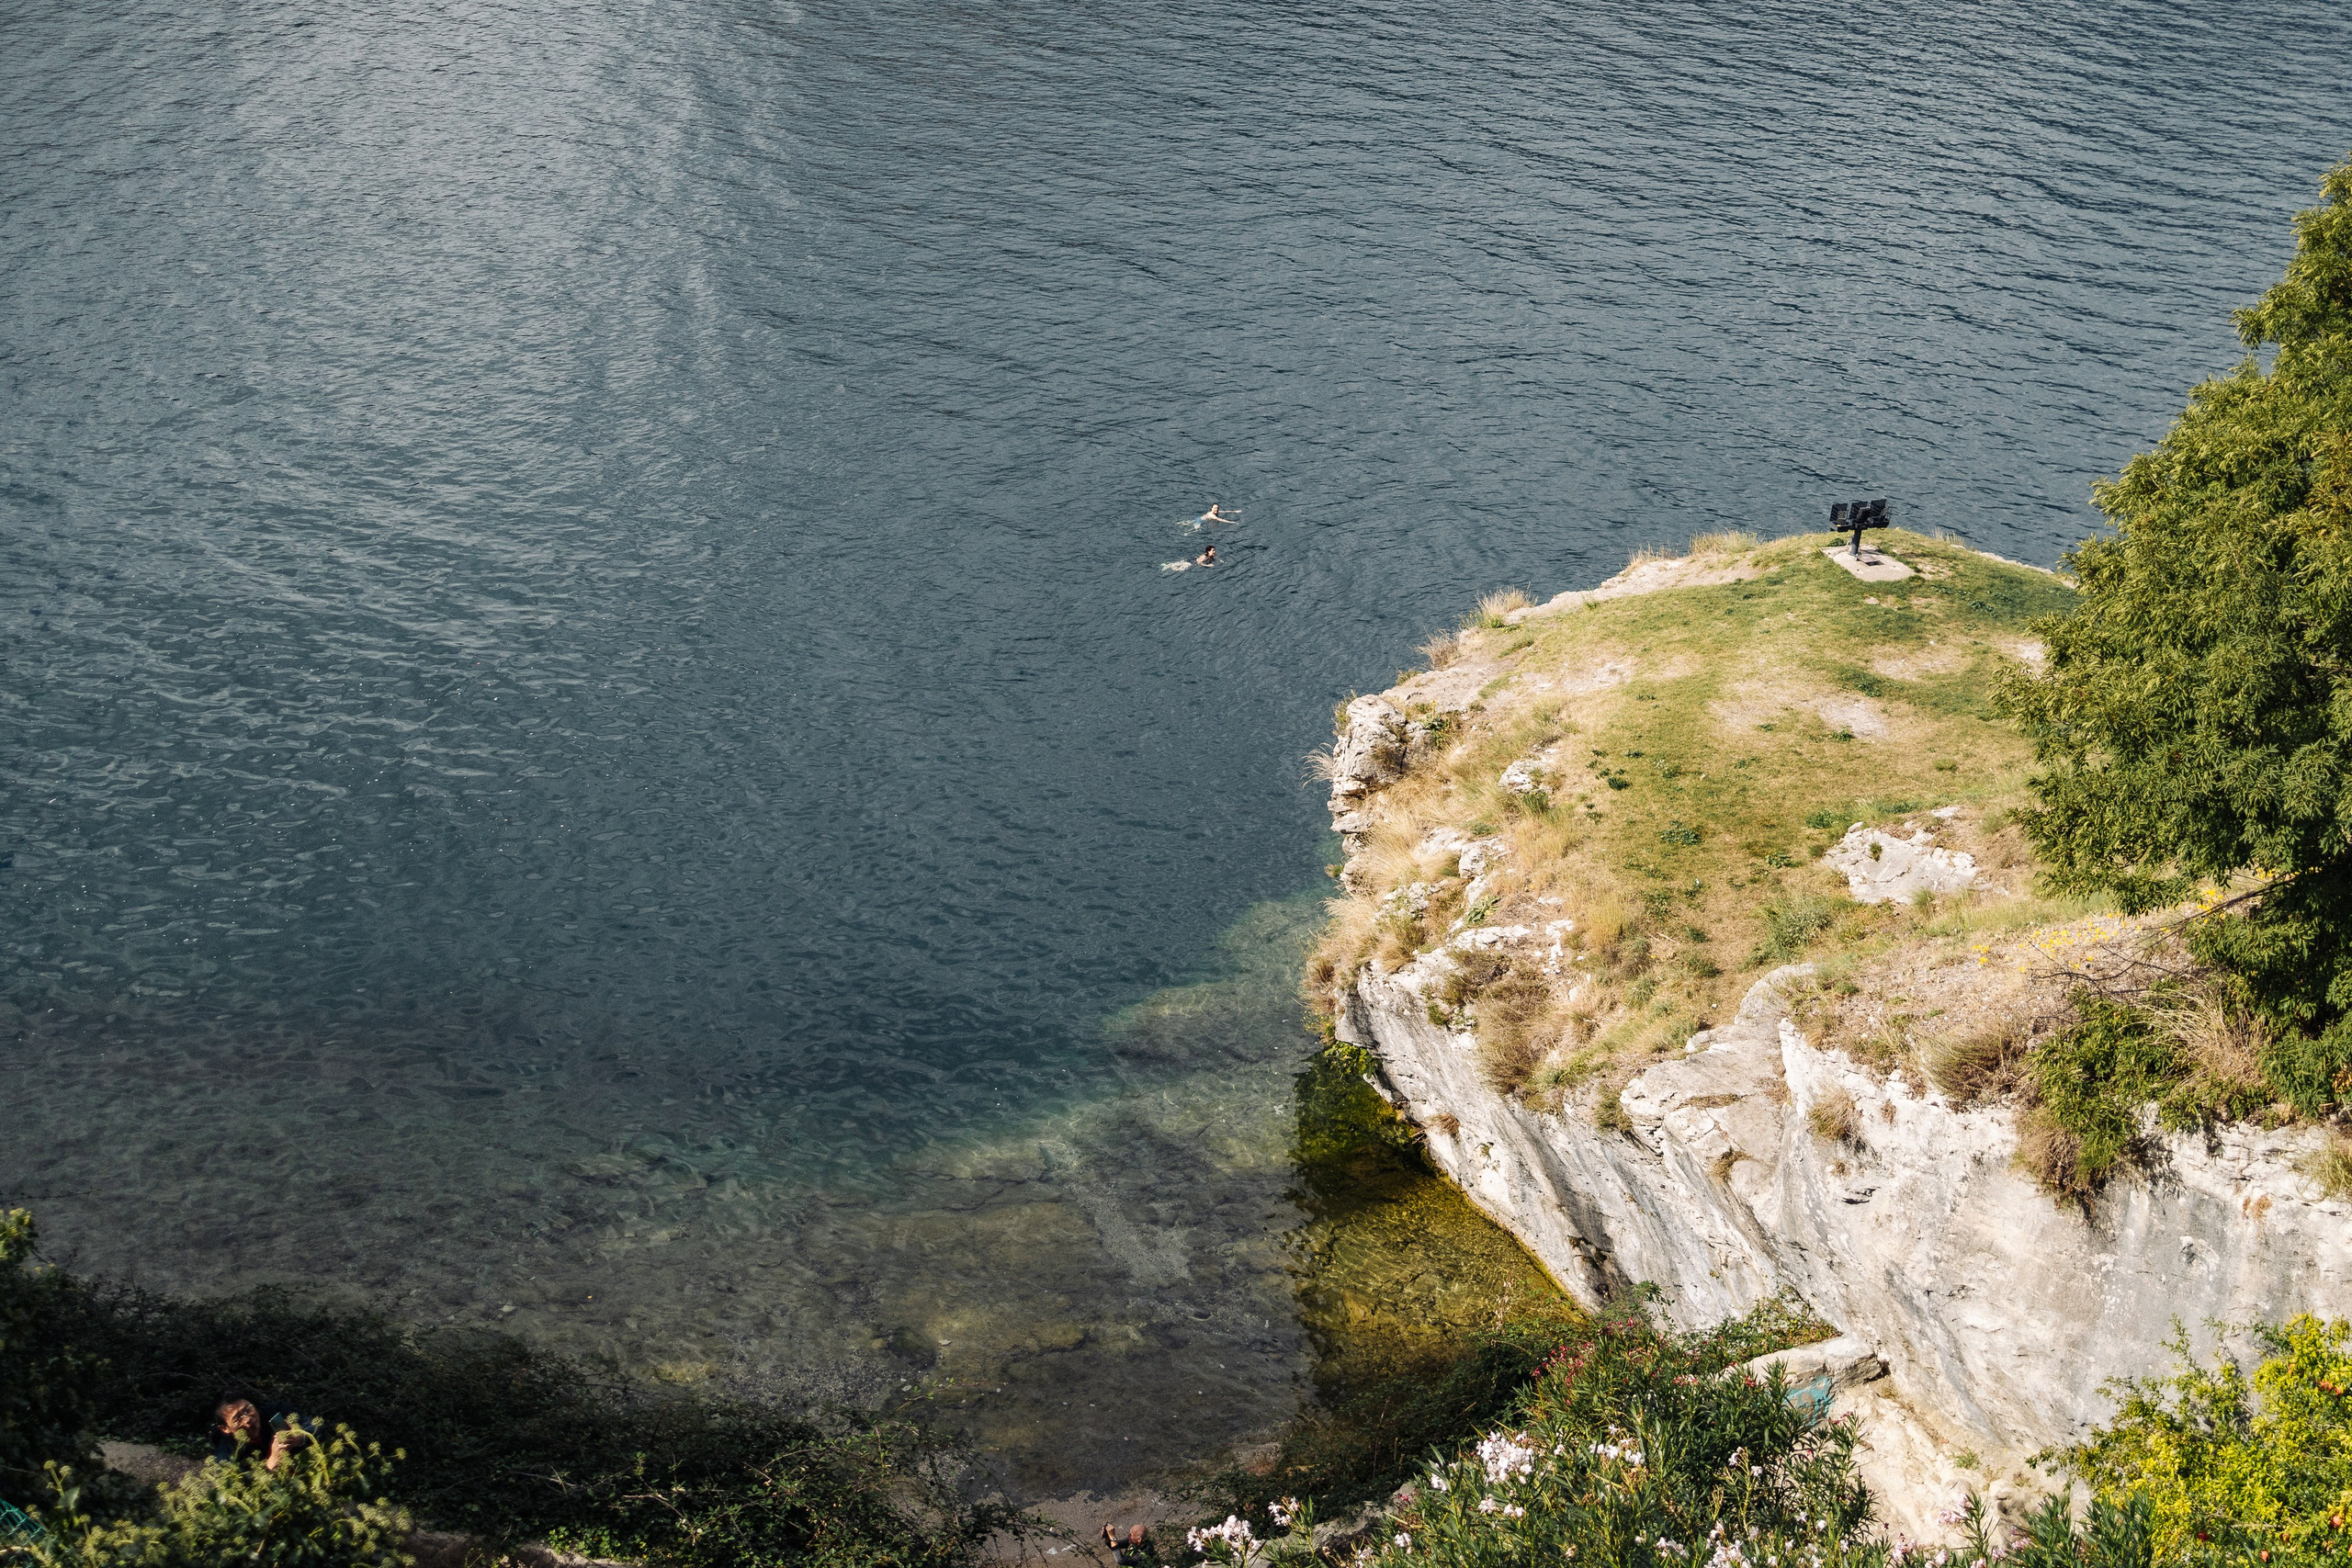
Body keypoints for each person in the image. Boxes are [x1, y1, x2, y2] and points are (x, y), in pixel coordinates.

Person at [211, 1396, 312, 1470]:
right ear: (225, 1428)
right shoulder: (225, 1452)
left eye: (247, 1410)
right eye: (238, 1419)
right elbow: (237, 1487)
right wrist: (270, 1465)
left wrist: (302, 1437)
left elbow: (316, 1427)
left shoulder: (276, 1411)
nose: (247, 1419)